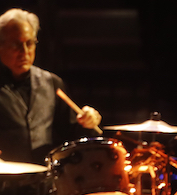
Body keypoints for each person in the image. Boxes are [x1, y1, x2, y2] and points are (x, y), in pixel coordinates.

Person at [0, 8, 102, 164]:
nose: (24, 52)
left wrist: (88, 122)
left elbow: (73, 136)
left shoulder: (51, 83)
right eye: (16, 45)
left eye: (29, 43)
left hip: (45, 174)